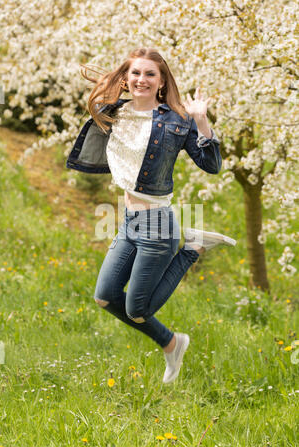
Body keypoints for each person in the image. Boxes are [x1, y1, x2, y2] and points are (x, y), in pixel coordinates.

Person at [67, 47, 236, 383]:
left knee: (138, 309)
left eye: (150, 74)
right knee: (104, 297)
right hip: (129, 221)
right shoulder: (115, 112)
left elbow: (212, 166)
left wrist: (201, 120)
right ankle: (173, 343)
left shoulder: (176, 120)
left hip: (158, 224)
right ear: (127, 78)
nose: (141, 80)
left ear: (161, 81)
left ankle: (192, 250)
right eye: (135, 73)